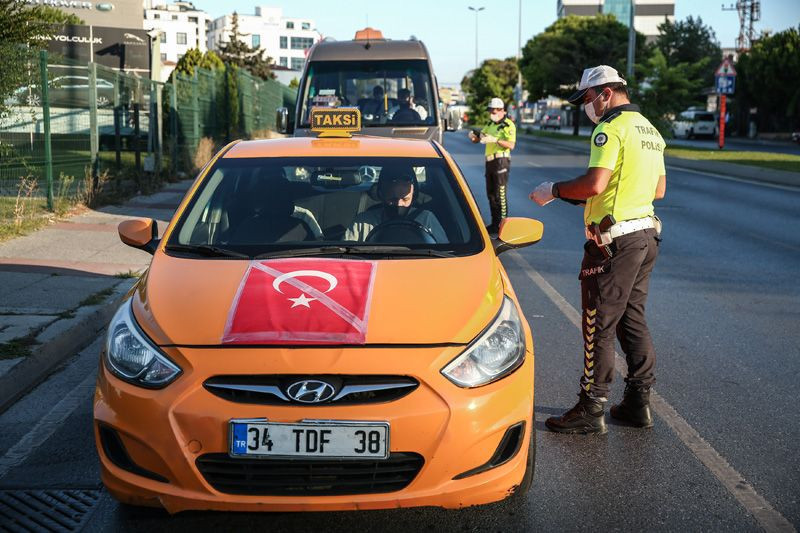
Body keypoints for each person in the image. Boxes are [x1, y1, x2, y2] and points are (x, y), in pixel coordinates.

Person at [529, 65, 666, 435]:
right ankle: (637, 401)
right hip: (645, 236)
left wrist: (554, 190)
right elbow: (658, 190)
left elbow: (594, 183)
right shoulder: (649, 130)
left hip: (614, 243)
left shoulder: (610, 128)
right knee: (632, 319)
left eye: (588, 98)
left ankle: (591, 407)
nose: (586, 107)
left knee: (597, 323)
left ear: (606, 93)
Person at [345, 171, 446, 243]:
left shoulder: (427, 219)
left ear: (413, 196)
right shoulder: (363, 222)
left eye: (405, 199)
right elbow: (346, 254)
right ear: (382, 195)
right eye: (393, 199)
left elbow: (444, 250)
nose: (399, 204)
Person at [469, 97, 516, 235]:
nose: (491, 113)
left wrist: (495, 140)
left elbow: (511, 145)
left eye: (494, 111)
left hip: (501, 160)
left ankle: (503, 226)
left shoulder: (508, 125)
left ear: (501, 110)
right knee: (491, 194)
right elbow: (480, 138)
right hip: (489, 162)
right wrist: (474, 137)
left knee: (500, 194)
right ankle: (495, 224)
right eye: (490, 110)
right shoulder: (490, 124)